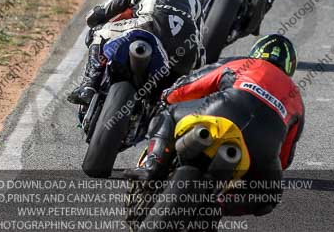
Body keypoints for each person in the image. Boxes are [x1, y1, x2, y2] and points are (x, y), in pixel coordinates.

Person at [127, 34, 305, 217]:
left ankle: (153, 164)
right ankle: (219, 206)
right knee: (268, 197)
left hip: (223, 110)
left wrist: (167, 97)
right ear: (289, 66)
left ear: (256, 52)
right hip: (263, 145)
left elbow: (190, 85)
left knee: (168, 115)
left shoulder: (243, 63)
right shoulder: (297, 98)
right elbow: (285, 159)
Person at [67, 0, 204, 106]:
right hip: (187, 53)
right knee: (166, 101)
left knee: (99, 33)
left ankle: (89, 85)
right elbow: (200, 50)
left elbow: (101, 12)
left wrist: (92, 17)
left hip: (148, 26)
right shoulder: (196, 3)